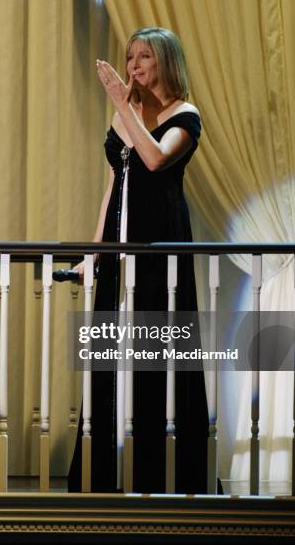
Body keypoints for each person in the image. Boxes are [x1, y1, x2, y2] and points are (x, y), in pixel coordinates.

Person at [68, 27, 209, 494]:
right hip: (120, 246)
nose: (133, 67)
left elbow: (152, 160)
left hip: (159, 247)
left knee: (156, 356)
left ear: (165, 61)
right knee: (111, 353)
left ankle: (161, 478)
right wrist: (94, 251)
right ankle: (102, 479)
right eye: (130, 58)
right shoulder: (122, 115)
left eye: (143, 57)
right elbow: (115, 187)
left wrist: (125, 108)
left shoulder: (183, 115)